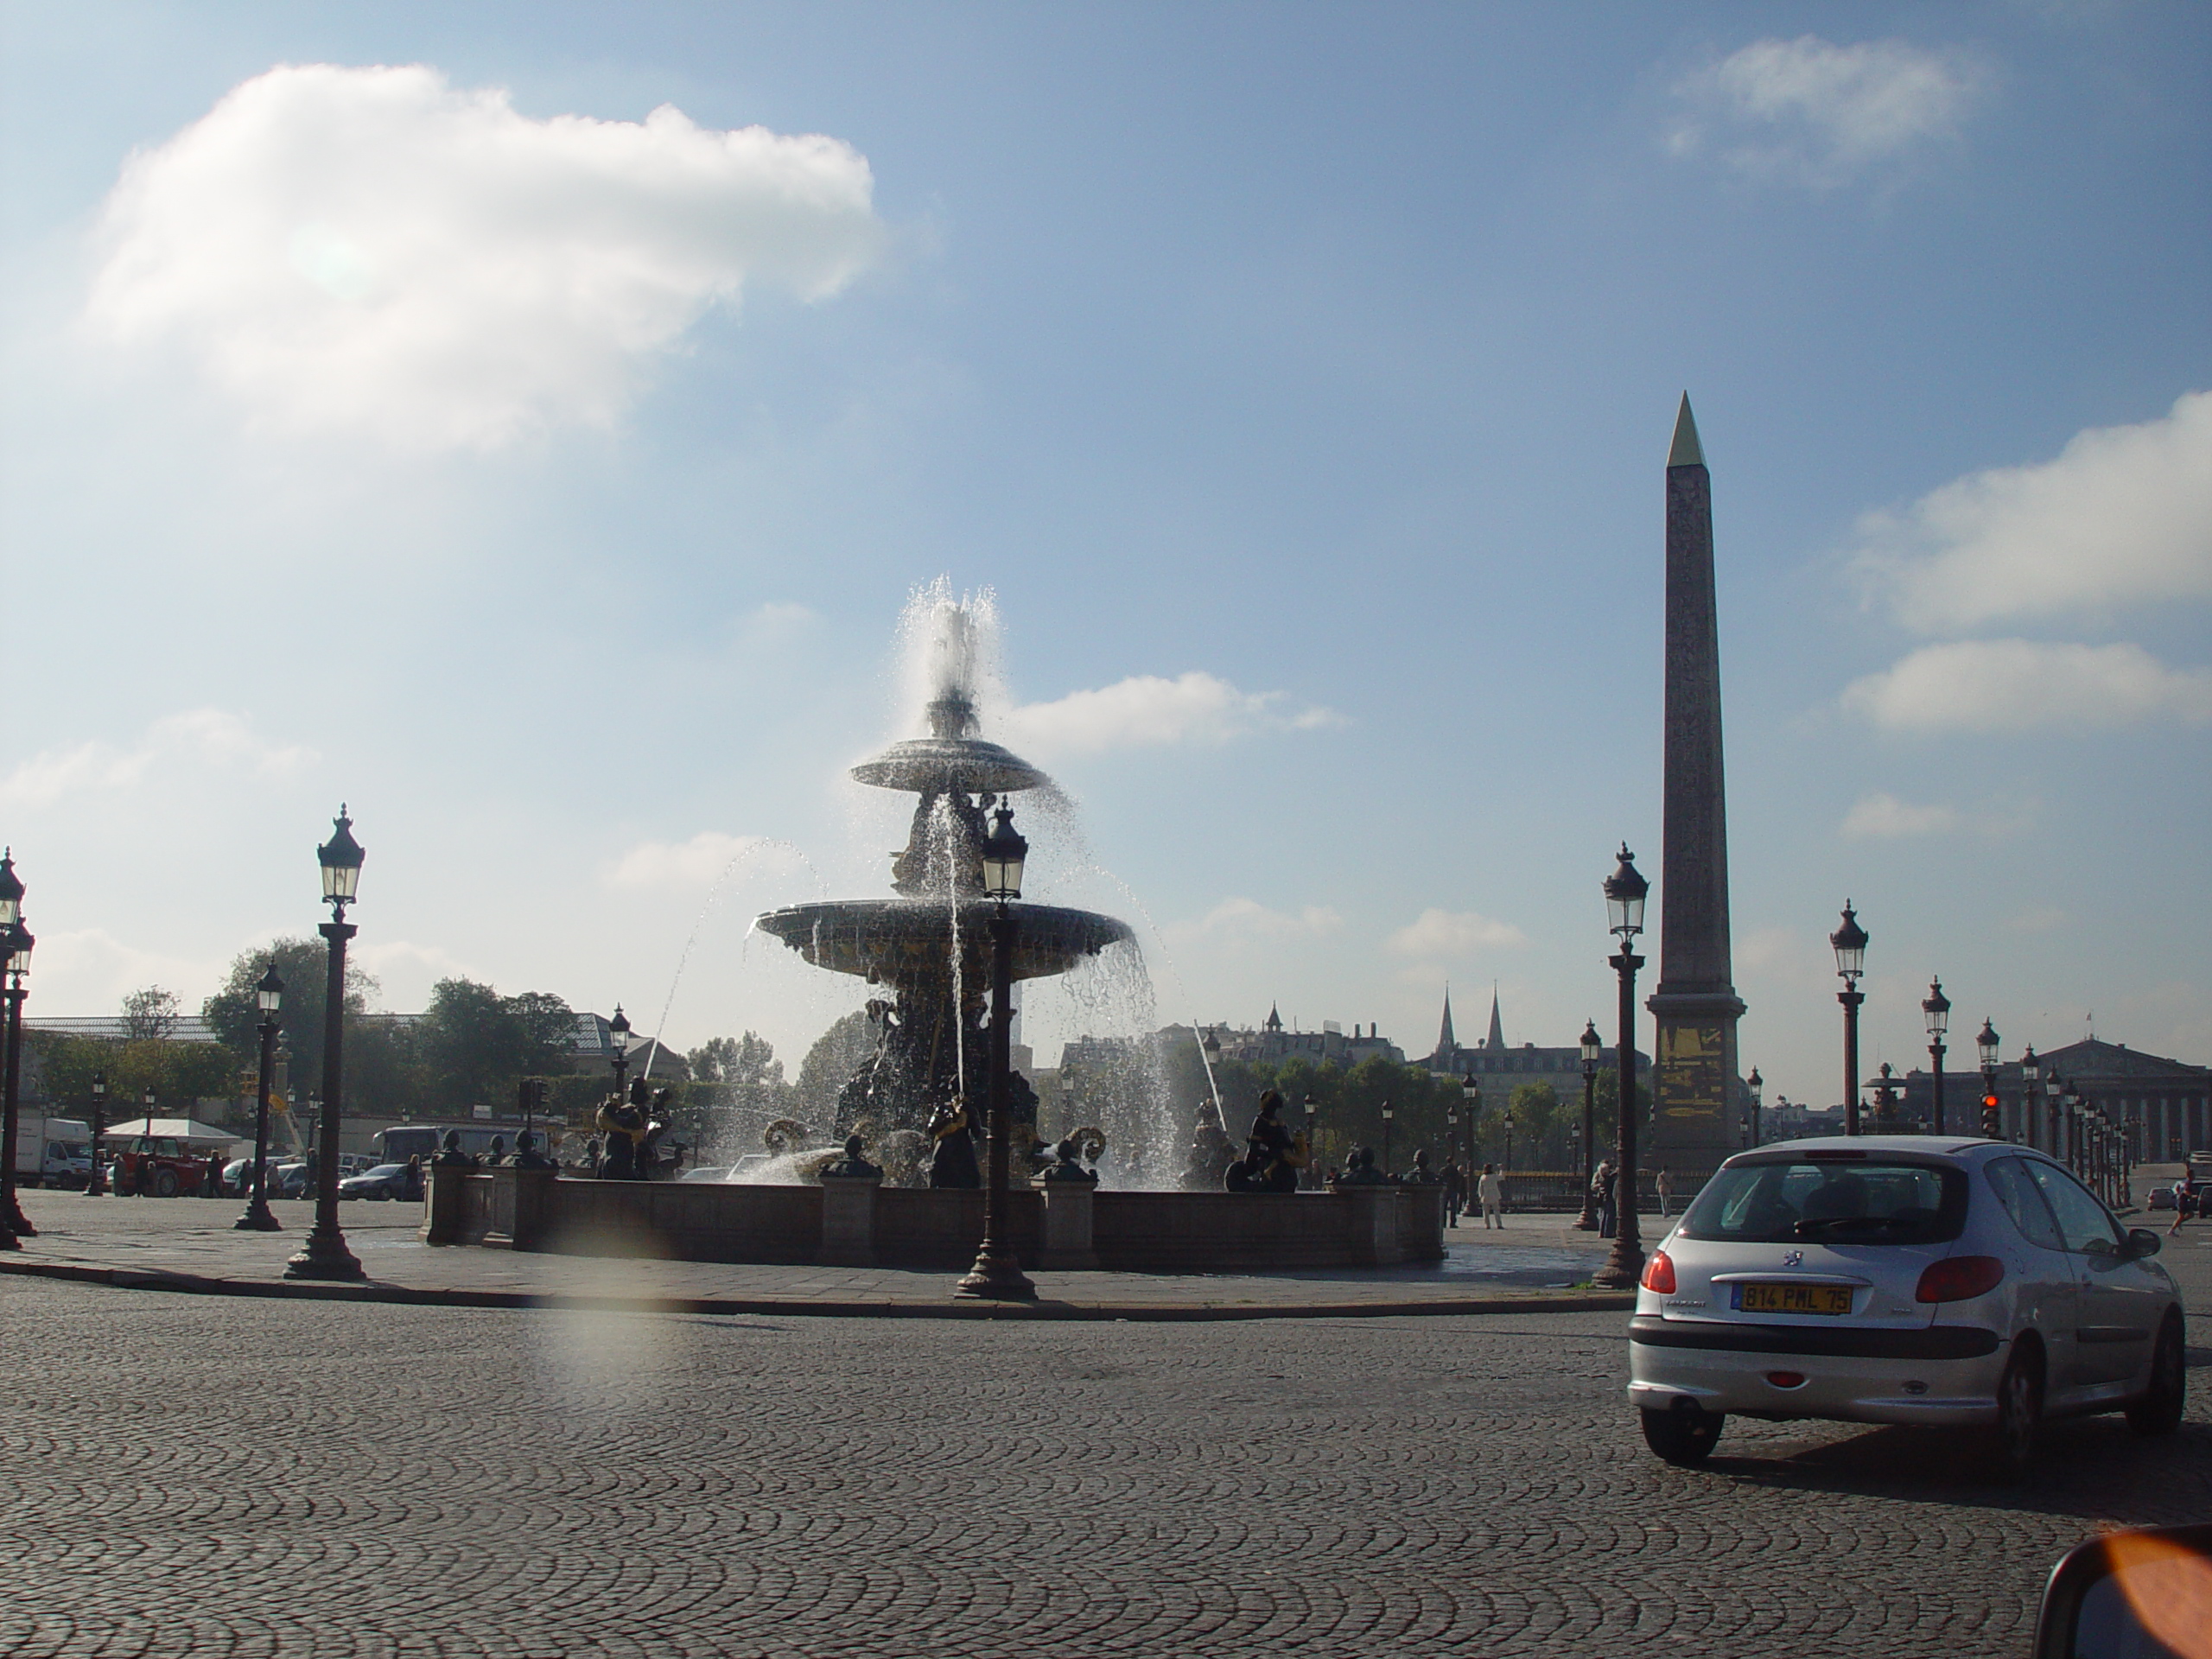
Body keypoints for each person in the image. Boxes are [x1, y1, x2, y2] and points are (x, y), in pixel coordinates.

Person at [1595, 1159, 1618, 1239]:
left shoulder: (1602, 1178)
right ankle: (1607, 1232)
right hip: (1608, 1198)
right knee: (1609, 1216)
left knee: (1603, 1216)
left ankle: (1602, 1232)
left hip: (1603, 1198)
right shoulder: (1607, 1179)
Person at [1477, 1162, 1504, 1229]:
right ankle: (1499, 1224)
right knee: (1496, 1211)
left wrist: (1480, 1196)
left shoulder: (1483, 1177)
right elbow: (1502, 1177)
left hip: (1486, 1196)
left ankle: (1487, 1225)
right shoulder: (1494, 1176)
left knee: (1486, 1212)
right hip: (1494, 1195)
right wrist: (1501, 1169)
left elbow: (1480, 1188)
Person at [1442, 1160, 1465, 1226]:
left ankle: (1443, 1222)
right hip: (1453, 1189)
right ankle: (1452, 1223)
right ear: (1452, 1161)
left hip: (1445, 1190)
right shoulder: (1455, 1170)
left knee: (1444, 1207)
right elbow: (1458, 1180)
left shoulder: (1443, 1170)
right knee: (1453, 1207)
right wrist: (1458, 1188)